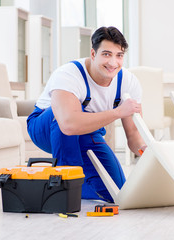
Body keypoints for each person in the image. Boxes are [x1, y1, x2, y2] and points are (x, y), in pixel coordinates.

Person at [27, 26, 146, 202]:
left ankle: (64, 183)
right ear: (93, 53)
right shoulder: (68, 75)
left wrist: (148, 153)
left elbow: (134, 135)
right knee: (61, 116)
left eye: (119, 55)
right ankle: (64, 183)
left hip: (87, 130)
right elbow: (68, 124)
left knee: (116, 192)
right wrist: (118, 112)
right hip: (45, 126)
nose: (113, 63)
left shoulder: (128, 82)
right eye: (106, 54)